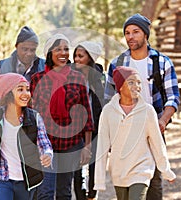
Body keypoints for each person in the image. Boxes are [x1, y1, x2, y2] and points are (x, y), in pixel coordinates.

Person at [104, 13, 180, 200]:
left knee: (154, 181)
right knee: (125, 180)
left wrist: (162, 120)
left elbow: (173, 97)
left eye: (136, 32)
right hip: (125, 128)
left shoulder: (161, 62)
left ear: (146, 35)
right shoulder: (117, 64)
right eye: (127, 33)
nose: (130, 36)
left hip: (152, 125)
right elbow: (108, 99)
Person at [94, 66, 176, 200]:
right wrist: (99, 179)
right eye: (131, 82)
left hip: (142, 168)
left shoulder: (148, 111)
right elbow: (102, 146)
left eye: (139, 82)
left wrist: (166, 170)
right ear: (120, 86)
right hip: (119, 170)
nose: (137, 86)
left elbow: (157, 143)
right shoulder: (108, 112)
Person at [30, 33, 94, 200]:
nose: (63, 53)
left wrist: (86, 147)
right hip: (45, 143)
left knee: (64, 192)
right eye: (58, 49)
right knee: (45, 191)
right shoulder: (37, 79)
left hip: (71, 144)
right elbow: (30, 113)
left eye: (66, 49)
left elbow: (86, 115)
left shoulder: (77, 77)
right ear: (49, 53)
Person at [72, 41, 104, 200]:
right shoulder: (70, 75)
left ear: (90, 58)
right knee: (77, 169)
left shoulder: (99, 78)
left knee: (94, 167)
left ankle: (92, 195)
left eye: (80, 56)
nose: (76, 59)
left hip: (96, 128)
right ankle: (80, 197)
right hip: (76, 129)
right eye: (75, 55)